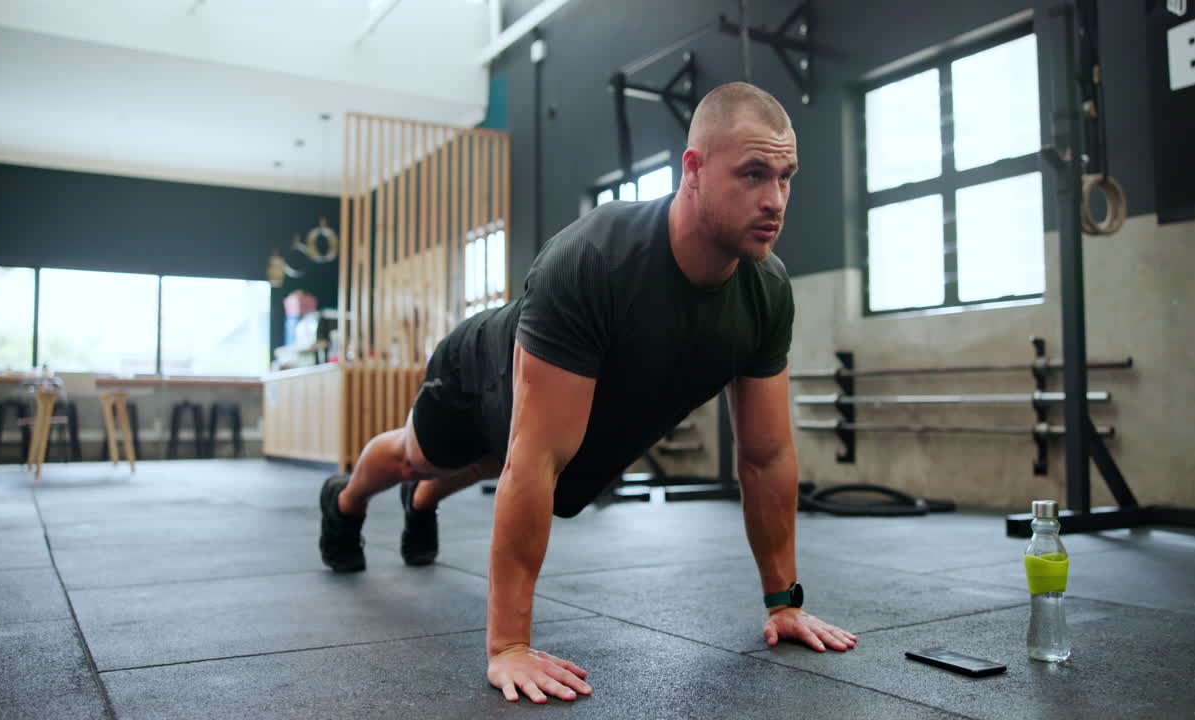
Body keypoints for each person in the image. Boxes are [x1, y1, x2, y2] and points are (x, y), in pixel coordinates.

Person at [318, 81, 858, 704]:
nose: (775, 200)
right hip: (477, 375)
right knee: (421, 454)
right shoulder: (593, 261)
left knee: (509, 459)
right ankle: (348, 500)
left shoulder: (766, 292)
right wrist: (509, 647)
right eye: (754, 174)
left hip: (540, 424)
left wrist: (784, 604)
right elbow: (534, 458)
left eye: (786, 176)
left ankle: (423, 503)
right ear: (693, 170)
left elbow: (764, 456)